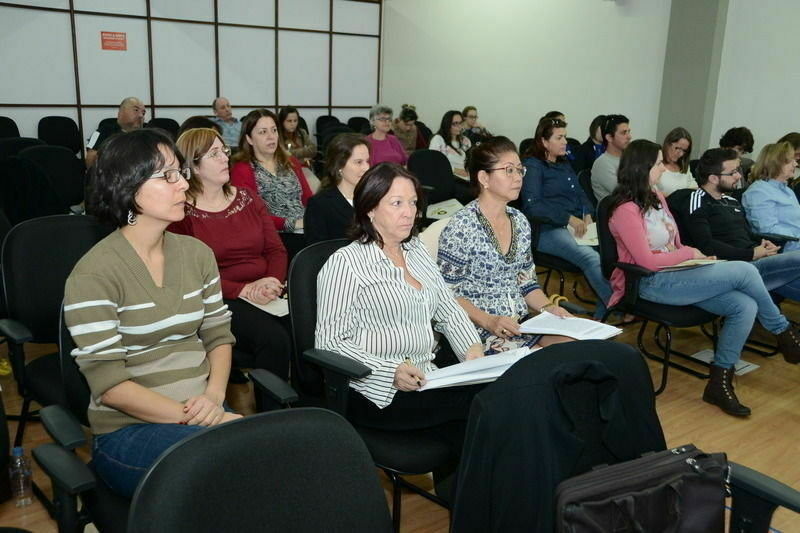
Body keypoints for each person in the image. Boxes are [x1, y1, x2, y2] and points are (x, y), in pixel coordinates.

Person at [64, 129, 239, 497]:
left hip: (204, 409)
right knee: (225, 474)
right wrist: (202, 419)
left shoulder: (196, 254)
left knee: (263, 465)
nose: (182, 186)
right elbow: (110, 387)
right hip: (131, 429)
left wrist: (213, 397)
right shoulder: (94, 273)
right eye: (167, 176)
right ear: (128, 187)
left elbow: (218, 335)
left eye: (181, 173)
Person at [315, 162, 484, 497]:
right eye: (397, 203)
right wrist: (390, 370)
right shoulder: (345, 264)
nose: (409, 212)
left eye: (413, 203)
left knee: (482, 403)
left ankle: (467, 503)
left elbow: (449, 310)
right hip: (374, 391)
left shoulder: (416, 250)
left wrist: (472, 352)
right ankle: (478, 504)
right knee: (482, 406)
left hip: (425, 378)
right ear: (370, 208)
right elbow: (329, 342)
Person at [607, 139, 800, 417]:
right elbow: (647, 261)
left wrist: (691, 256)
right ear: (642, 168)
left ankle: (719, 383)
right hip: (650, 282)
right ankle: (783, 332)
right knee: (745, 270)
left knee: (744, 305)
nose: (664, 169)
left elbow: (672, 246)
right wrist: (688, 253)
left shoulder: (656, 197)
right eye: (659, 164)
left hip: (679, 273)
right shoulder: (625, 208)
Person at [169, 128, 290, 381]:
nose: (226, 158)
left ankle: (309, 402)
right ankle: (273, 414)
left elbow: (275, 250)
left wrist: (272, 281)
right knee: (273, 339)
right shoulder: (181, 213)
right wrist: (244, 290)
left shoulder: (247, 198)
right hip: (219, 297)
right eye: (214, 154)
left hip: (267, 288)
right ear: (194, 165)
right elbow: (190, 275)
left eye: (224, 150)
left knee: (306, 325)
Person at [437, 136, 574, 354]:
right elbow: (445, 293)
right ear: (484, 177)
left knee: (575, 349)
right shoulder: (462, 226)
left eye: (520, 170)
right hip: (481, 328)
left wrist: (549, 308)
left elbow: (527, 283)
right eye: (508, 170)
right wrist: (489, 321)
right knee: (545, 367)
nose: (518, 177)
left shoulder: (519, 220)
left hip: (520, 324)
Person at [680, 147, 800, 302]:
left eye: (737, 170)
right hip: (739, 265)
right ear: (714, 178)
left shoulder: (731, 201)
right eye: (733, 173)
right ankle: (779, 324)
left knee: (786, 280)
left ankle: (779, 325)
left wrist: (763, 244)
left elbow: (747, 233)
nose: (738, 176)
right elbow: (706, 244)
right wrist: (752, 253)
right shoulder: (697, 201)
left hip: (754, 259)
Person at [521, 117, 611, 319]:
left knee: (610, 252)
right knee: (590, 258)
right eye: (559, 137)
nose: (565, 142)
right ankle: (616, 305)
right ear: (544, 142)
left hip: (576, 227)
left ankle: (605, 306)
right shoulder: (533, 166)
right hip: (547, 230)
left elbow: (580, 194)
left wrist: (587, 213)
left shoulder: (563, 164)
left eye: (565, 137)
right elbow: (533, 206)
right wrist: (568, 218)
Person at [230, 109, 312, 257]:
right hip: (273, 236)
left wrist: (316, 217)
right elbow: (251, 215)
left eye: (274, 130)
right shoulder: (242, 169)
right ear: (249, 139)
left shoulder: (291, 162)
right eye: (263, 132)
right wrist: (294, 224)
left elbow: (308, 198)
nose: (271, 137)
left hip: (306, 228)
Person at [304, 133, 370, 244]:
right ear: (339, 166)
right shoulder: (320, 205)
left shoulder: (374, 197)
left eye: (367, 161)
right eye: (359, 162)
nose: (366, 167)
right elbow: (317, 253)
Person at [742, 142, 800, 251]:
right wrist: (797, 234)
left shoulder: (787, 191)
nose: (795, 164)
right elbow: (767, 229)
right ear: (776, 163)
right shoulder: (758, 191)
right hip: (784, 249)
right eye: (790, 161)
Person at [85, 96, 145, 167]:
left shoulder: (147, 135)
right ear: (121, 112)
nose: (141, 115)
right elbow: (89, 161)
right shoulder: (101, 132)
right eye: (136, 110)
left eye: (143, 113)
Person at [591, 114, 631, 202]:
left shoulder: (629, 159)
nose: (629, 137)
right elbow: (625, 194)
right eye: (623, 133)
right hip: (615, 211)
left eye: (629, 132)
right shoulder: (602, 164)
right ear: (609, 137)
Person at [429, 110, 472, 178]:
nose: (459, 126)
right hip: (447, 176)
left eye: (460, 123)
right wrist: (455, 170)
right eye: (455, 123)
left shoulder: (465, 140)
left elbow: (470, 161)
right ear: (447, 124)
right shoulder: (438, 139)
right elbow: (434, 162)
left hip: (465, 177)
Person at [656, 127, 697, 196]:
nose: (681, 154)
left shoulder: (684, 166)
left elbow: (694, 188)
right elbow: (652, 191)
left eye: (684, 150)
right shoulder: (656, 164)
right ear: (668, 144)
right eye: (677, 148)